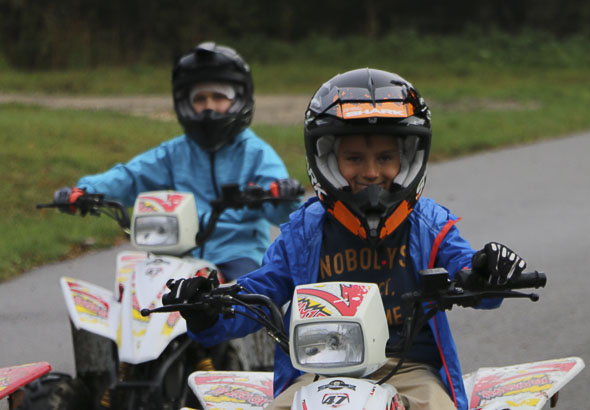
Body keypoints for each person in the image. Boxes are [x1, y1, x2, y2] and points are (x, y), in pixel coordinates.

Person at [162, 68, 527, 410]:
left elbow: (470, 274)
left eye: (385, 157)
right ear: (327, 160)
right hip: (317, 374)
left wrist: (486, 271)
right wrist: (207, 310)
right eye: (354, 158)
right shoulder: (303, 233)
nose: (371, 172)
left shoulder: (430, 225)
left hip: (408, 370)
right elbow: (260, 294)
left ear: (409, 159)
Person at [53, 41, 303, 281]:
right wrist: (85, 191)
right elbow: (130, 176)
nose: (209, 106)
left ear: (239, 99)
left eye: (218, 97)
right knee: (139, 294)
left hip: (237, 256)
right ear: (185, 103)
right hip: (177, 255)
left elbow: (281, 204)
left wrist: (283, 194)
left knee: (249, 302)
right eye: (200, 99)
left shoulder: (256, 153)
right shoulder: (174, 153)